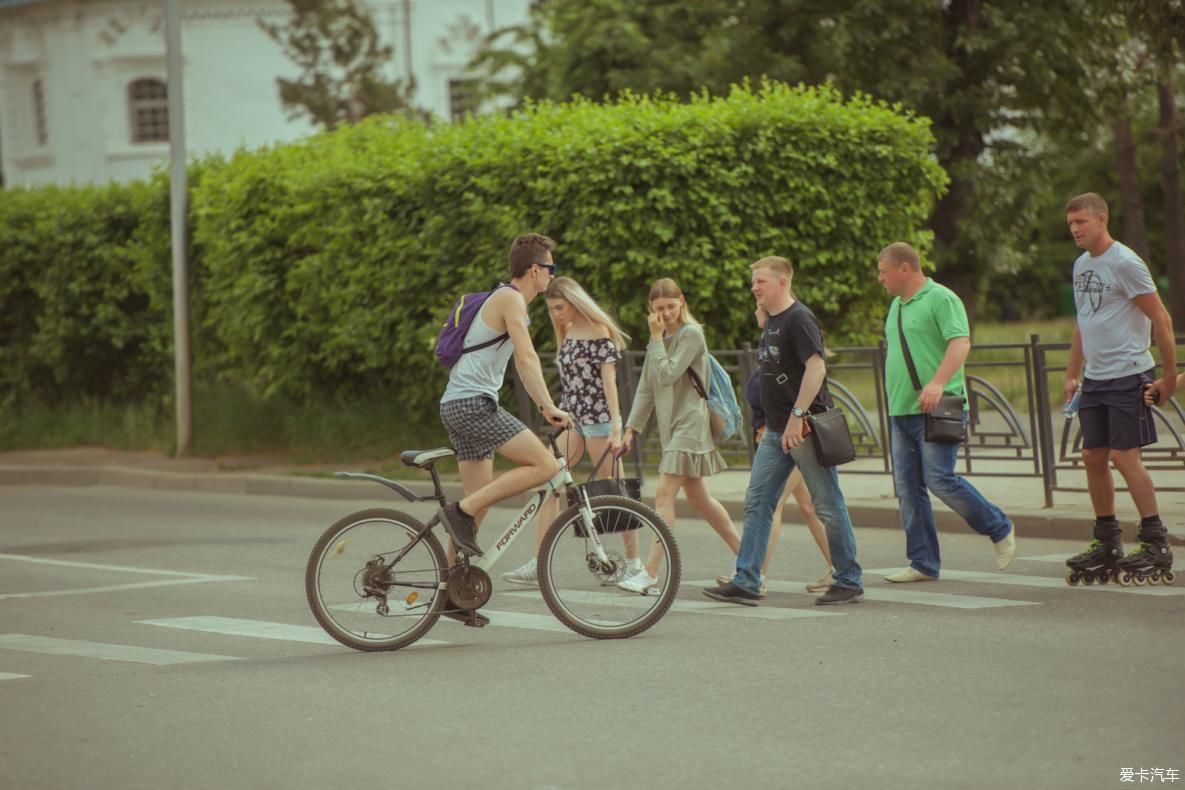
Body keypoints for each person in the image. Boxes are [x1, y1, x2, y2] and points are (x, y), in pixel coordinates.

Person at [703, 256, 863, 606]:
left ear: (783, 282)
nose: (754, 287)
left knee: (827, 504)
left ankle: (849, 579)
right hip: (776, 432)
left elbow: (816, 368)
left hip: (803, 428)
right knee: (758, 500)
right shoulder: (773, 320)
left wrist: (797, 416)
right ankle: (746, 579)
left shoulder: (800, 319)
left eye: (760, 282)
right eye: (753, 282)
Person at [436, 233, 570, 624]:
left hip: (455, 404)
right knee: (546, 468)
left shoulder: (503, 298)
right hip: (472, 405)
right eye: (551, 268)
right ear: (535, 269)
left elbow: (516, 363)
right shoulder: (512, 299)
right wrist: (548, 406)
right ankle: (457, 511)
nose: (551, 276)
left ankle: (450, 593)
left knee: (478, 504)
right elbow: (526, 358)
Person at [876, 242, 1015, 582]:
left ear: (904, 268)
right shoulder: (896, 306)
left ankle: (999, 527)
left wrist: (937, 384)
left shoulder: (942, 298)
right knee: (908, 488)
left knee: (939, 478)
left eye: (883, 272)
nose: (880, 279)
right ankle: (923, 563)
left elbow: (960, 342)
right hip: (901, 410)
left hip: (941, 406)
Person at [1062, 193, 1177, 584]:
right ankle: (1107, 539)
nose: (1076, 229)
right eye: (1071, 224)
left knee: (1125, 458)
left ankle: (1155, 540)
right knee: (1093, 455)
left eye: (1081, 222)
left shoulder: (1126, 262)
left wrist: (1169, 378)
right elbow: (1084, 320)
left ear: (1102, 219)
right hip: (1096, 378)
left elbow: (1161, 319)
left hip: (1129, 373)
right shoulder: (1081, 265)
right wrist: (1072, 373)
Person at [501, 276, 642, 585]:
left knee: (616, 492)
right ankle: (539, 563)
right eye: (551, 309)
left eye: (560, 307)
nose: (556, 314)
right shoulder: (564, 332)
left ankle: (635, 565)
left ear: (575, 302)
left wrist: (617, 427)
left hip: (600, 422)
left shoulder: (599, 331)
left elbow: (609, 384)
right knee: (550, 479)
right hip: (574, 422)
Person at [619, 277, 741, 593]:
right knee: (700, 498)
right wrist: (630, 428)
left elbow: (667, 373)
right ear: (651, 309)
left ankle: (650, 573)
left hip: (691, 424)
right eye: (659, 308)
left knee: (663, 495)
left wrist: (656, 338)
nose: (666, 312)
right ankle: (749, 561)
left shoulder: (692, 336)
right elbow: (647, 387)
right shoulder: (657, 340)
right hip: (672, 428)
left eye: (671, 306)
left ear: (682, 302)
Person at [714, 343, 834, 596]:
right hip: (775, 442)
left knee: (773, 502)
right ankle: (838, 568)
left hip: (793, 440)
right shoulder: (769, 356)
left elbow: (792, 402)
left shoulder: (792, 364)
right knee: (807, 506)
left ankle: (755, 576)